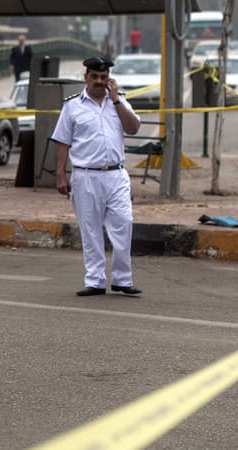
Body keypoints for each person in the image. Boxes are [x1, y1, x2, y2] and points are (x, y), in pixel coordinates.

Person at [50, 56, 142, 297]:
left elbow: (133, 128)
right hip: (85, 176)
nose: (99, 81)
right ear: (86, 77)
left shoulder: (119, 101)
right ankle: (95, 280)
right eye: (95, 77)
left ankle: (122, 279)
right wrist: (61, 175)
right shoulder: (72, 106)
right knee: (90, 230)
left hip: (116, 174)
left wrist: (116, 101)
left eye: (103, 77)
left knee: (124, 223)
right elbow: (62, 141)